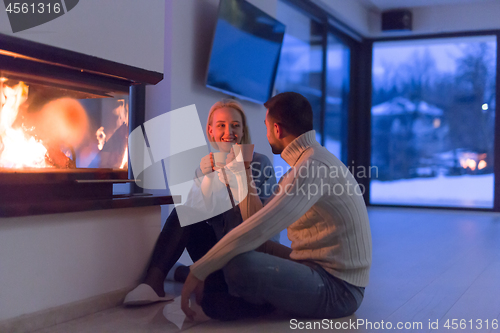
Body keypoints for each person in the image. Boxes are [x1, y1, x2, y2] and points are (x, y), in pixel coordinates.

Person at [181, 92, 372, 321]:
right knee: (240, 253)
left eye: (266, 126)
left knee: (240, 265)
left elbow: (260, 228)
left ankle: (266, 305)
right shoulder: (306, 162)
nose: (266, 132)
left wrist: (199, 269)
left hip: (339, 290)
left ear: (278, 130)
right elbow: (257, 220)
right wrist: (240, 171)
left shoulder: (311, 168)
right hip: (311, 265)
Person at [124, 99, 278, 305]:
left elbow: (258, 222)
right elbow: (193, 214)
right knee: (184, 211)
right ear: (211, 130)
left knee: (215, 294)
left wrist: (241, 172)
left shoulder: (260, 163)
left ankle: (181, 272)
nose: (228, 131)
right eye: (221, 125)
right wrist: (205, 177)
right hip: (216, 249)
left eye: (235, 125)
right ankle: (154, 283)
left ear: (243, 131)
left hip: (249, 250)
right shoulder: (206, 165)